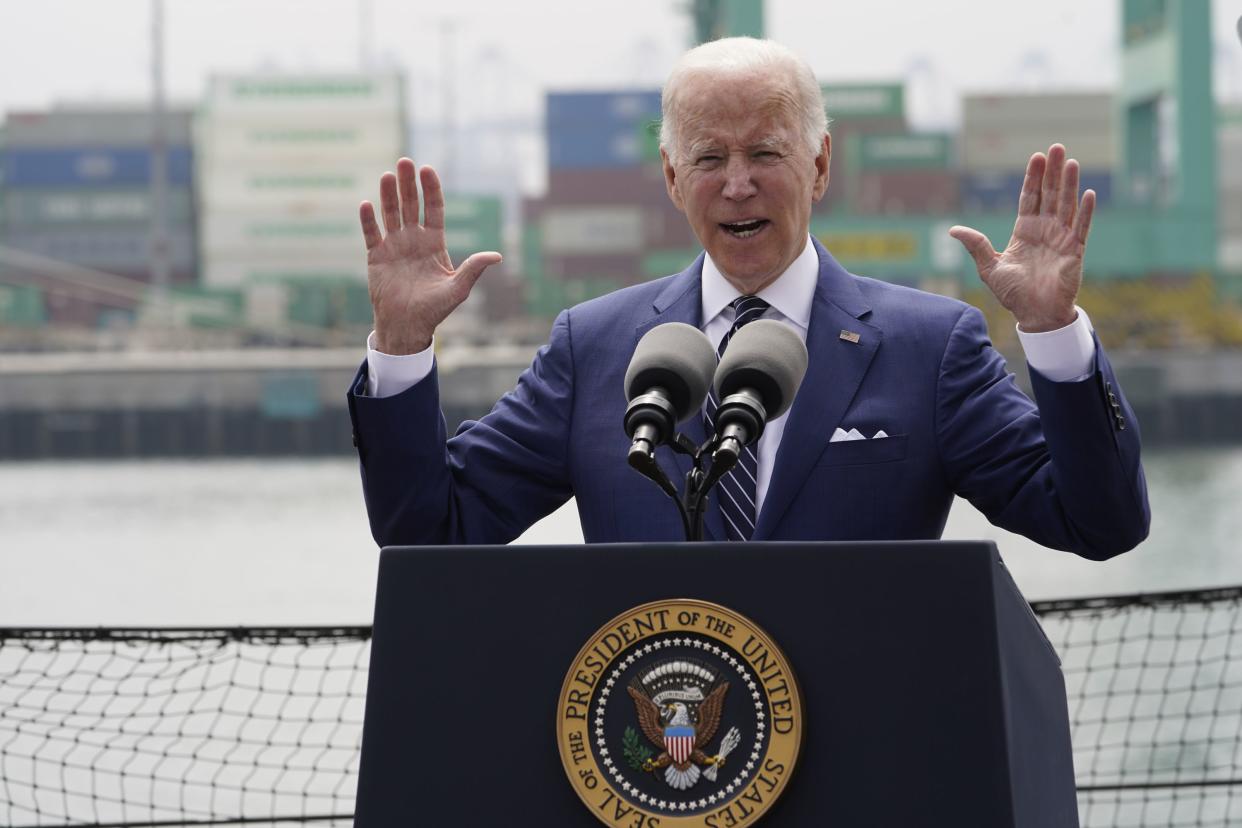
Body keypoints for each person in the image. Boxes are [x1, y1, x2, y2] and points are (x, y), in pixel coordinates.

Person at [346, 37, 1149, 557]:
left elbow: (1099, 524)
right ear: (670, 178)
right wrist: (402, 348)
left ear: (821, 165)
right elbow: (430, 533)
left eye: (766, 152)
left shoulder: (930, 346)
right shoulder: (592, 347)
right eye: (708, 158)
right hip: (656, 776)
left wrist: (1051, 332)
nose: (738, 185)